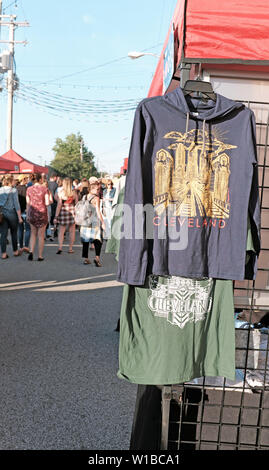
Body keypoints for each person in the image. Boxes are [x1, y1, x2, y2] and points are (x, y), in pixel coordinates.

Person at [80, 176, 105, 266]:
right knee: (97, 240)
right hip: (94, 221)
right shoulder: (96, 198)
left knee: (86, 240)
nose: (98, 191)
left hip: (85, 221)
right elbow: (98, 211)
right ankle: (97, 258)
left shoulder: (84, 197)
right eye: (97, 189)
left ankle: (86, 258)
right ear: (93, 189)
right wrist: (103, 222)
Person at [26, 173, 50, 261]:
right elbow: (47, 203)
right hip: (42, 213)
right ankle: (40, 256)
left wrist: (28, 214)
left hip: (32, 213)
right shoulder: (45, 189)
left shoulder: (28, 189)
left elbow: (28, 203)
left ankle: (31, 251)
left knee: (33, 234)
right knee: (41, 235)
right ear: (40, 180)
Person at [0, 176, 23, 259]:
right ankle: (15, 251)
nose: (14, 182)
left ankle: (3, 254)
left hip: (2, 214)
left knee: (3, 234)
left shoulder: (0, 189)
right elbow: (16, 204)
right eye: (13, 181)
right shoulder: (13, 190)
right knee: (14, 232)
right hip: (12, 213)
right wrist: (20, 217)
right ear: (10, 182)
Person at [54, 177, 78, 254]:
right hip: (72, 210)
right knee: (72, 231)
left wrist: (56, 216)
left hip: (63, 210)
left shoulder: (61, 192)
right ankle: (70, 248)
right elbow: (77, 203)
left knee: (61, 231)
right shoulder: (74, 192)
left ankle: (60, 247)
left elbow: (59, 204)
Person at [17, 176, 31, 253]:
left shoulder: (15, 189)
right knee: (28, 229)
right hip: (26, 211)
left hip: (18, 212)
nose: (27, 180)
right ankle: (26, 246)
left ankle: (21, 247)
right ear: (23, 179)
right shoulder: (27, 189)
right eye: (26, 179)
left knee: (20, 230)